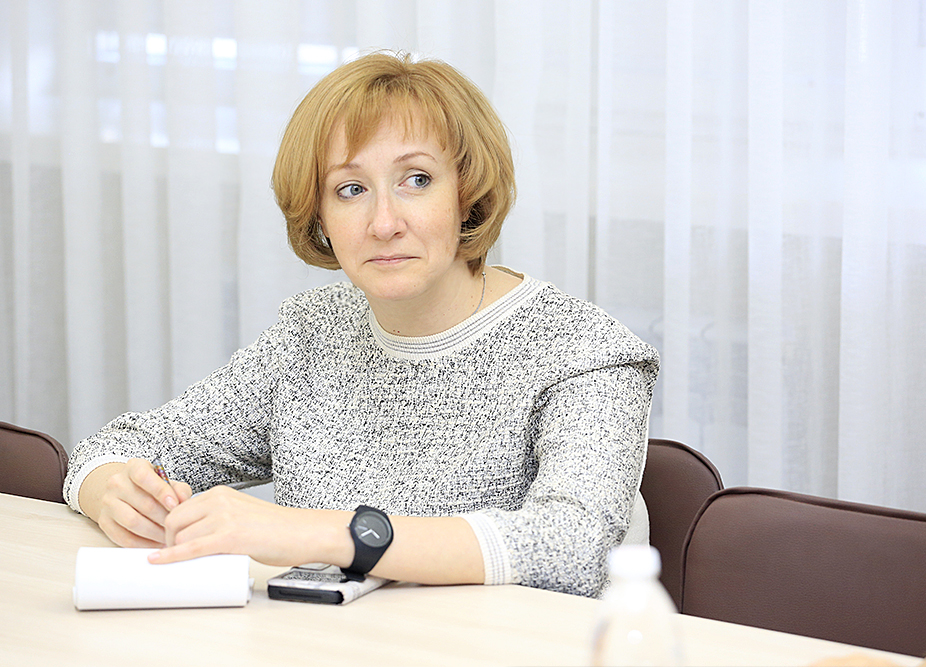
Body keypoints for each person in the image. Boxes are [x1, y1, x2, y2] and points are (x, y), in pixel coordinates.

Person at [63, 51, 659, 598]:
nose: (383, 223)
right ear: (320, 216)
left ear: (468, 192)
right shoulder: (311, 334)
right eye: (350, 190)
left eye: (417, 180)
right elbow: (122, 447)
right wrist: (112, 490)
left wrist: (325, 535)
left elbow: (575, 547)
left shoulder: (585, 352)